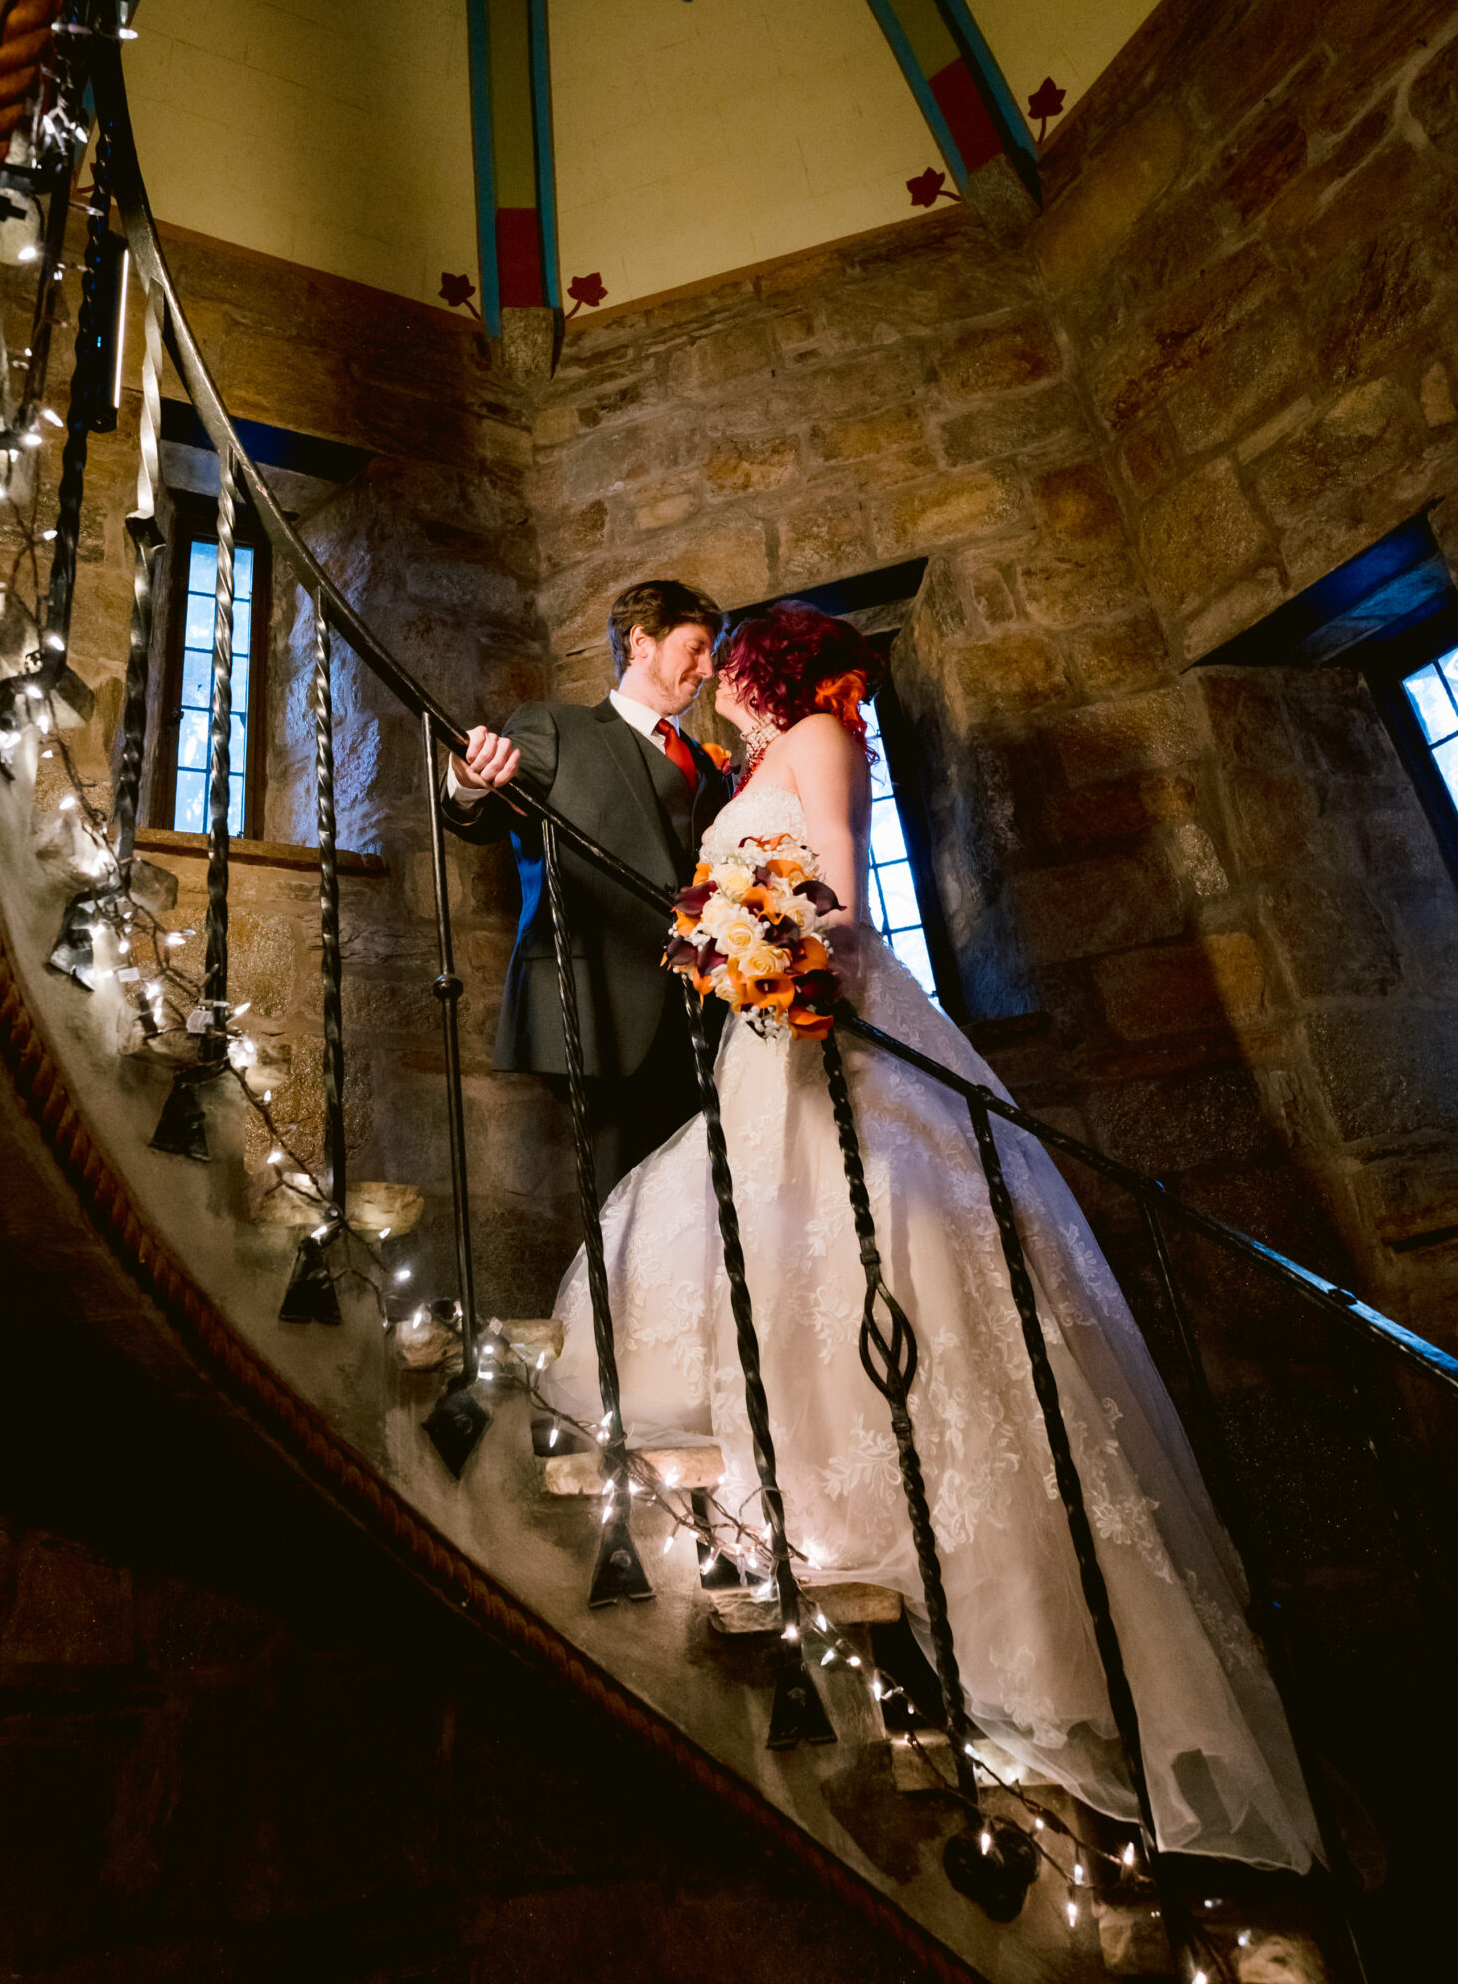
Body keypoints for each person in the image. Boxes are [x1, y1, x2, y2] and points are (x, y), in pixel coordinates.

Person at [542, 600, 1321, 1875]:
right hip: (760, 1047)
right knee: (767, 1260)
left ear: (766, 665)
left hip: (824, 1031)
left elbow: (840, 905)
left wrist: (769, 952)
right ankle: (805, 1505)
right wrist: (724, 945)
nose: (716, 676)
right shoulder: (744, 768)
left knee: (893, 1262)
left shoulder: (821, 741)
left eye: (730, 656)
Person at [443, 578, 731, 1200]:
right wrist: (469, 780)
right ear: (642, 643)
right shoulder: (556, 727)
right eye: (696, 647)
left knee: (706, 1208)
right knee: (624, 1207)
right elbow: (485, 810)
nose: (708, 668)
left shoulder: (708, 766)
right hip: (598, 1003)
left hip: (707, 1014)